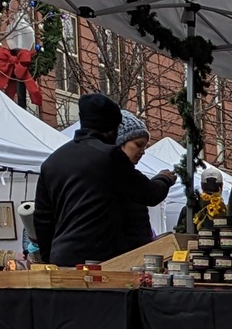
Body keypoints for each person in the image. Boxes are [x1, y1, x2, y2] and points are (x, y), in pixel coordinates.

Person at [34, 94, 160, 265]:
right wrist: (164, 179)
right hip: (103, 260)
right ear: (111, 129)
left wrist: (49, 259)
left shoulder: (52, 162)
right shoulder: (110, 157)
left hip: (63, 256)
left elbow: (43, 219)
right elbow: (149, 194)